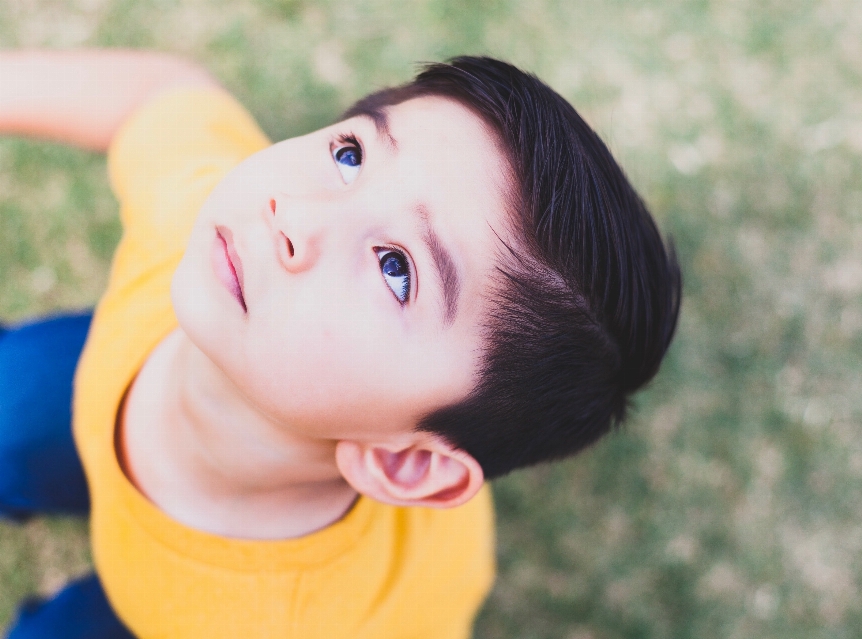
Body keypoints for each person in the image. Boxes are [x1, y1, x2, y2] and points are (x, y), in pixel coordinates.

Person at [0, 49, 682, 638]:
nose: (293, 216)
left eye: (396, 268)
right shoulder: (201, 229)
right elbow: (158, 96)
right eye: (351, 154)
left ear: (407, 463)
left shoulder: (312, 624)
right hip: (109, 380)